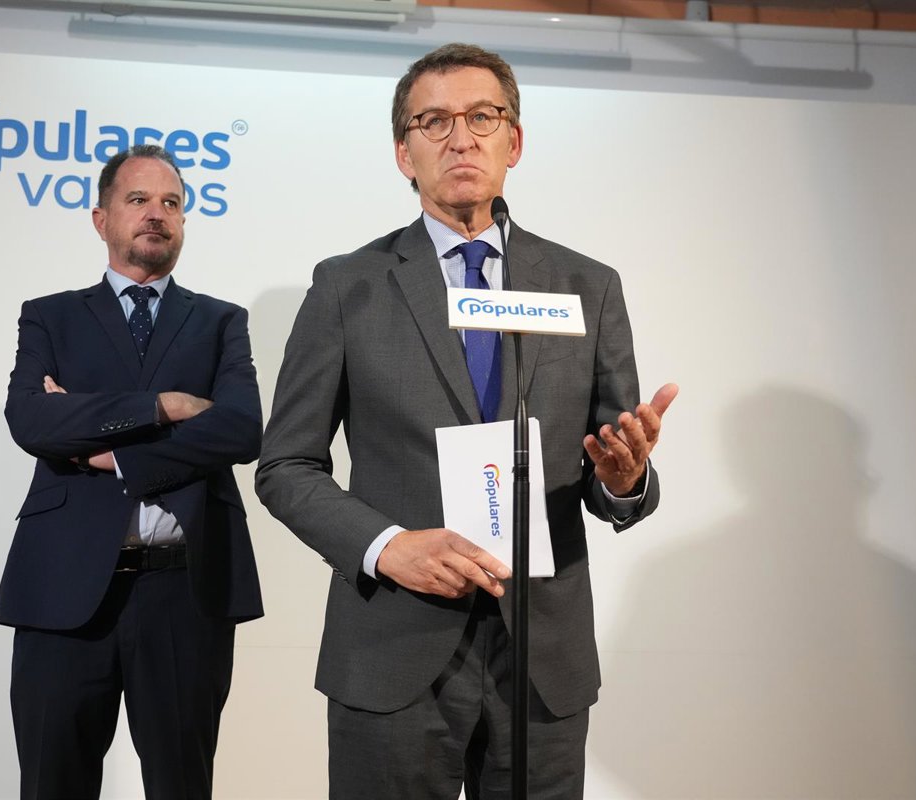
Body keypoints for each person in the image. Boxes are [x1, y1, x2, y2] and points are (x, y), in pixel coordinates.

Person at [255, 43, 676, 799]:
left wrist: (624, 480)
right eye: (435, 121)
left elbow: (612, 468)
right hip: (394, 642)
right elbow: (286, 468)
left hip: (541, 655)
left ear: (514, 141)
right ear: (403, 153)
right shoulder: (348, 287)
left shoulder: (587, 286)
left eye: (483, 117)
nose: (461, 138)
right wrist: (388, 547)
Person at [0, 144, 263, 799]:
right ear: (102, 219)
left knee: (181, 785)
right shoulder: (50, 315)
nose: (156, 214)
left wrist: (113, 451)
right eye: (138, 200)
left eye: (171, 203)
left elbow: (240, 430)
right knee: (53, 783)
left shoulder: (221, 321)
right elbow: (32, 421)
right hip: (61, 588)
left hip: (185, 591)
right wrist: (165, 406)